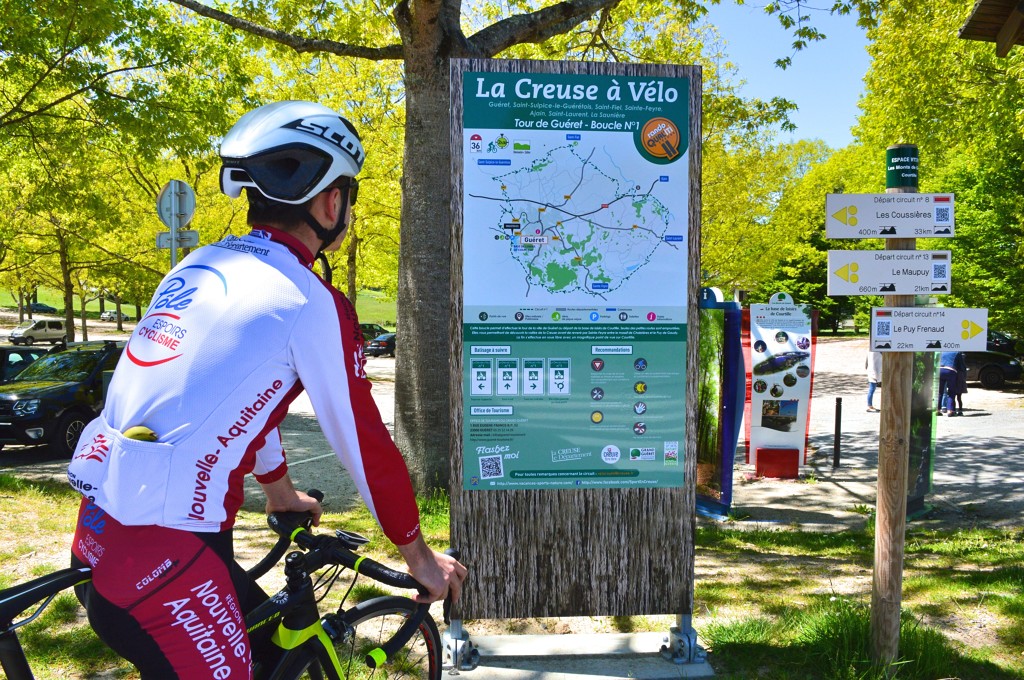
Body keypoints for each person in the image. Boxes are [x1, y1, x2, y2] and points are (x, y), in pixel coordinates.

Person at [66, 101, 467, 678]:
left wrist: (280, 493)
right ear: (332, 202)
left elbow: (244, 402)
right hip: (166, 552)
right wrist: (420, 558)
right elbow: (366, 446)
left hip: (104, 529)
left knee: (276, 652)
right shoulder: (308, 300)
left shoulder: (199, 265)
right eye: (349, 197)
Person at [937, 350, 966, 416]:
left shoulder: (942, 352)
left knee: (940, 392)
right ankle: (950, 411)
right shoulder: (957, 353)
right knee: (951, 392)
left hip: (940, 370)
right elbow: (961, 366)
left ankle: (937, 410)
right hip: (950, 371)